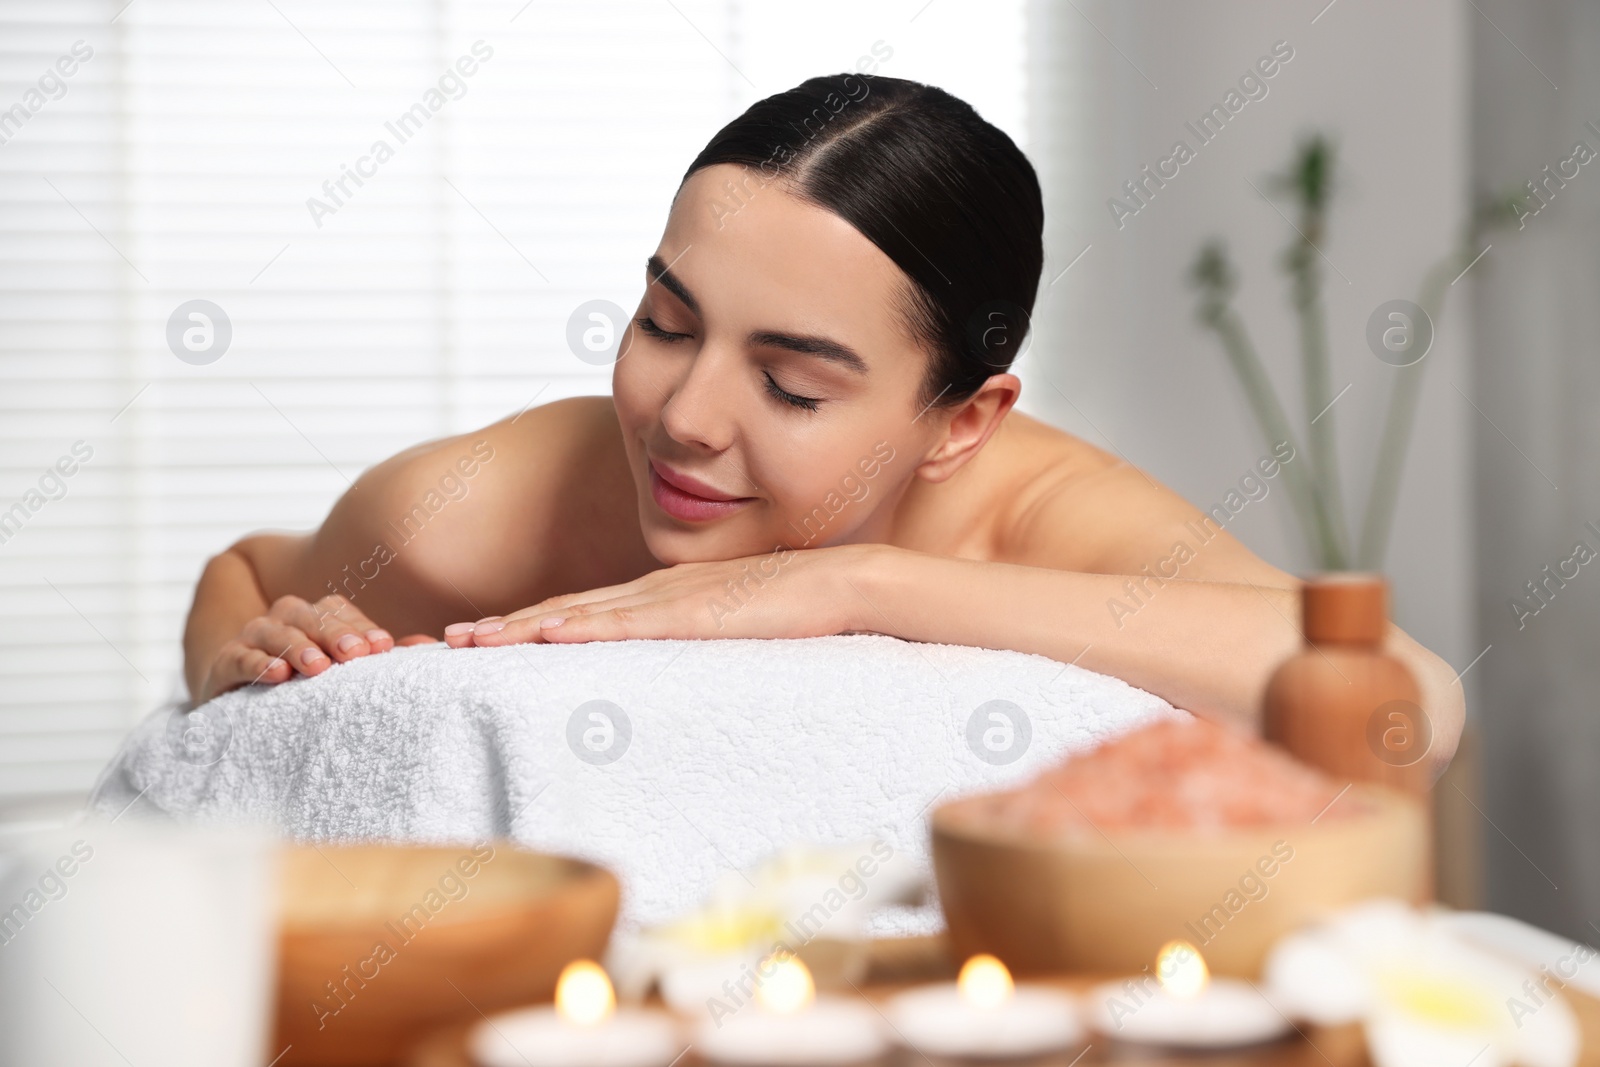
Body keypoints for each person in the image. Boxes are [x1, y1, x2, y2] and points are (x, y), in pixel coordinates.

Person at [181, 73, 1463, 771]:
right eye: (666, 323)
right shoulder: (494, 511)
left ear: (962, 419)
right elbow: (240, 575)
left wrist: (859, 583)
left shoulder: (1034, 512)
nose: (682, 419)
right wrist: (251, 653)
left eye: (792, 385)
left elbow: (1406, 698)